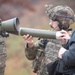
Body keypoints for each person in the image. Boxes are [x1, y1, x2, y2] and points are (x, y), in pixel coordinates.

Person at [23, 5, 75, 75]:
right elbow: (30, 56)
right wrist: (30, 44)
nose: (50, 23)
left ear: (62, 22)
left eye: (53, 21)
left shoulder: (72, 42)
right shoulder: (47, 37)